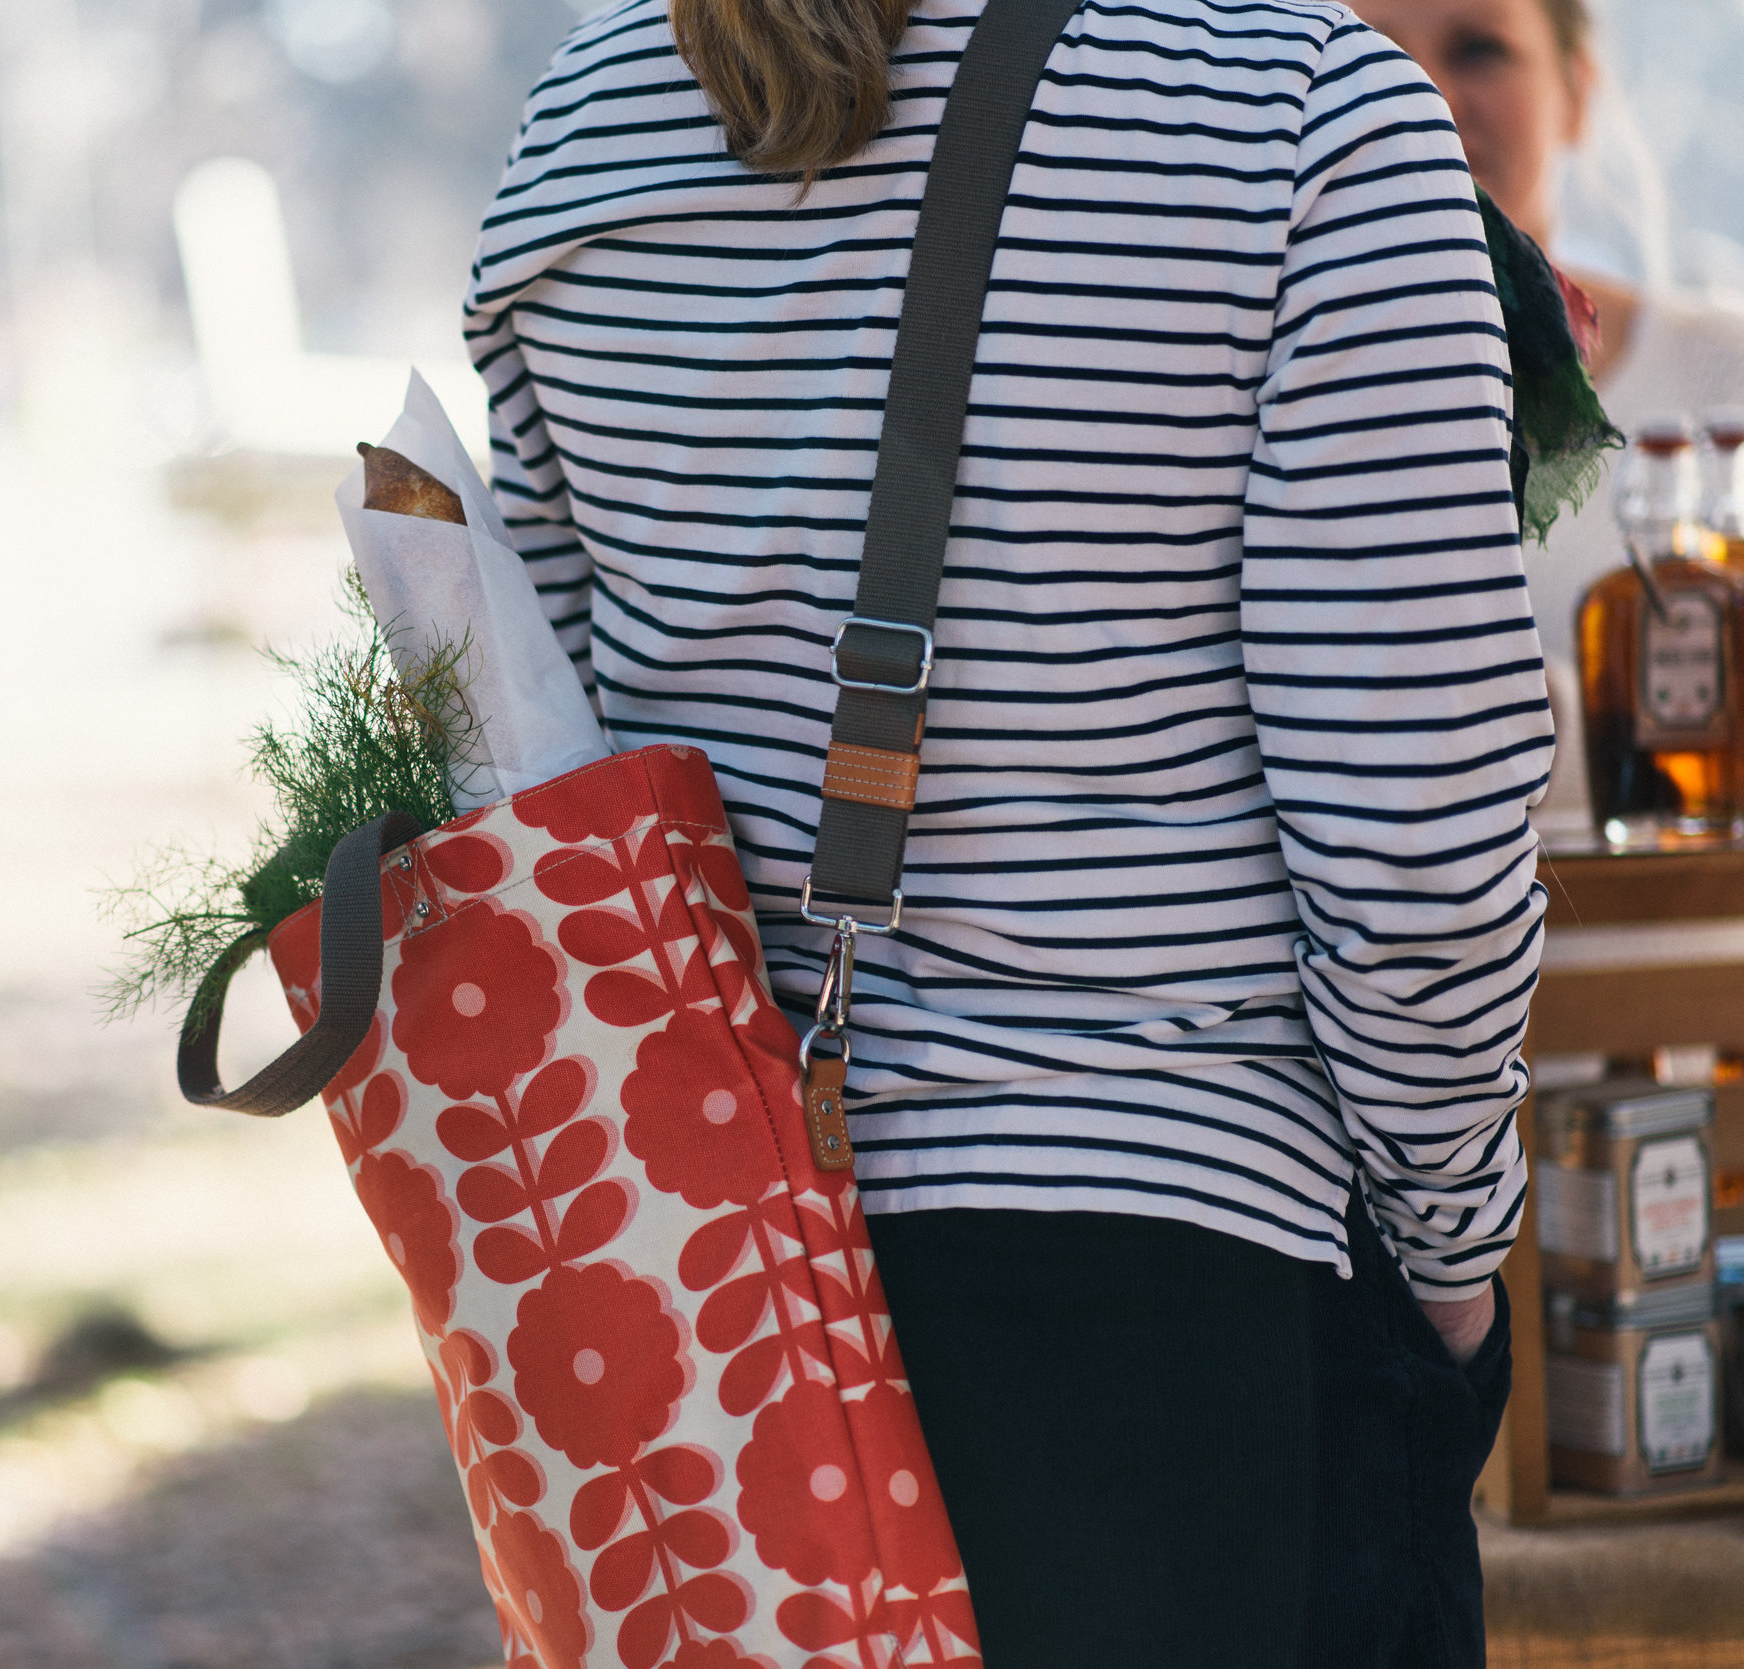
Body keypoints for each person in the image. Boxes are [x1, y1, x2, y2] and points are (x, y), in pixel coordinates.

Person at [464, 0, 1547, 1663]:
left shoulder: (588, 123)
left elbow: (543, 767)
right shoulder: (1305, 115)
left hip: (728, 1315)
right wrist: (1456, 1249)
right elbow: (1420, 842)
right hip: (1192, 1294)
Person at [1353, 0, 1744, 838]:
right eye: (1370, 56)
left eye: (1479, 50)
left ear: (1577, 92)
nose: (1425, 94)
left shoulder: (1734, 384)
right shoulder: (1237, 411)